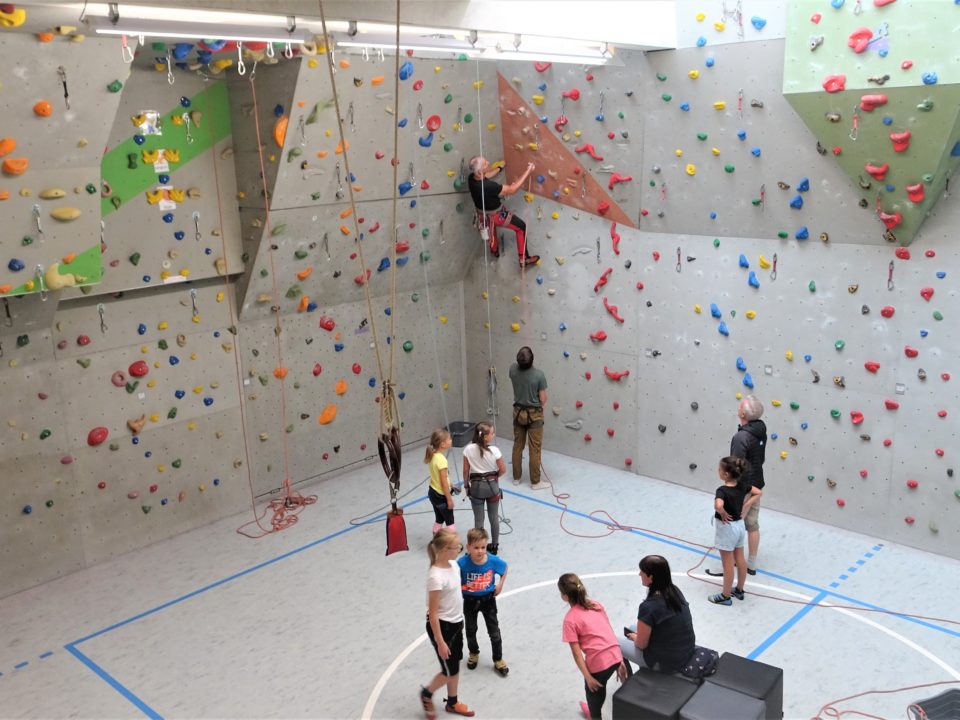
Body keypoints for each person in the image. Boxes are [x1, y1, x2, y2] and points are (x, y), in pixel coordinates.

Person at [707, 395, 767, 577]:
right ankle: (752, 564)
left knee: (731, 526)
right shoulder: (761, 428)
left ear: (742, 413)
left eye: (740, 405)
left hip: (742, 487)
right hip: (757, 481)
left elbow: (735, 465)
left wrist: (733, 490)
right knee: (752, 524)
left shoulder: (741, 437)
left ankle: (729, 564)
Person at [420, 529, 475, 718]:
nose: (460, 549)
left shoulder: (454, 565)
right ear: (444, 549)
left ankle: (452, 702)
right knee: (448, 670)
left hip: (456, 623)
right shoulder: (435, 577)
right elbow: (433, 614)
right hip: (442, 628)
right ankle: (426, 694)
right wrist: (441, 642)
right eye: (456, 547)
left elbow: (454, 593)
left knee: (455, 665)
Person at [559, 573, 627, 720]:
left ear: (564, 596)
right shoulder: (596, 605)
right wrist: (619, 659)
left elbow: (577, 654)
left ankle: (595, 717)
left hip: (599, 663)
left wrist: (588, 677)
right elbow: (608, 631)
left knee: (593, 692)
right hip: (616, 654)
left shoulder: (570, 619)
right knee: (607, 682)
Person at [620, 555, 696, 674]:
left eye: (642, 571)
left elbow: (641, 645)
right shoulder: (674, 591)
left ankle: (628, 680)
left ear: (651, 577)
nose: (639, 574)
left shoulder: (648, 607)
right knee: (632, 627)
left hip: (666, 663)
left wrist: (635, 637)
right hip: (686, 651)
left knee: (615, 644)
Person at [468, 155, 540, 268]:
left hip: (482, 216)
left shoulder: (472, 178)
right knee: (521, 227)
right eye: (485, 163)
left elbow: (487, 175)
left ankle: (494, 250)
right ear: (480, 170)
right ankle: (524, 259)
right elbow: (513, 189)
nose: (488, 162)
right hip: (496, 215)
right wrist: (528, 170)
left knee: (491, 231)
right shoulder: (488, 186)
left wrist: (499, 168)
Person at [708, 456, 761, 606]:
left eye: (719, 469)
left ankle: (725, 596)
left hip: (727, 529)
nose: (718, 471)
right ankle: (739, 589)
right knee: (740, 559)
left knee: (728, 564)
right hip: (739, 526)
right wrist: (746, 504)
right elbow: (758, 492)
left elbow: (718, 505)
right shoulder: (743, 485)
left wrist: (722, 512)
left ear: (725, 474)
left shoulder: (722, 490)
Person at [458, 527, 509, 678]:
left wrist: (500, 584)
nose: (480, 551)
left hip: (488, 600)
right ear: (468, 547)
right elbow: (453, 577)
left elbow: (505, 568)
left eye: (483, 547)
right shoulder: (461, 563)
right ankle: (473, 653)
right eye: (476, 548)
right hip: (469, 601)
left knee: (494, 632)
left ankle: (498, 659)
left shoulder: (493, 560)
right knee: (470, 630)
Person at [462, 422, 506, 554]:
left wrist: (466, 486)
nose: (494, 435)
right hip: (492, 487)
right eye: (492, 433)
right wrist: (495, 477)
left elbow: (465, 471)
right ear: (486, 437)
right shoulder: (495, 450)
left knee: (479, 519)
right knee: (494, 517)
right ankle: (495, 545)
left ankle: (479, 546)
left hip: (476, 488)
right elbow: (503, 469)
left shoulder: (468, 449)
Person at [509, 346, 548, 489]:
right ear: (532, 360)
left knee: (517, 445)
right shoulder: (539, 375)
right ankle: (535, 482)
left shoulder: (512, 369)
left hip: (518, 412)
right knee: (535, 448)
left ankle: (516, 478)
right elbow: (543, 398)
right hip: (534, 414)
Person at [425, 428, 457, 535]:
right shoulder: (442, 460)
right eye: (449, 439)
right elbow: (443, 482)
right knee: (450, 520)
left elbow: (438, 477)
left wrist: (451, 484)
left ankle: (436, 539)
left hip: (432, 492)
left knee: (439, 518)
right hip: (441, 495)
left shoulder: (433, 456)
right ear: (443, 444)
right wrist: (449, 500)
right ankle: (453, 543)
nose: (451, 440)